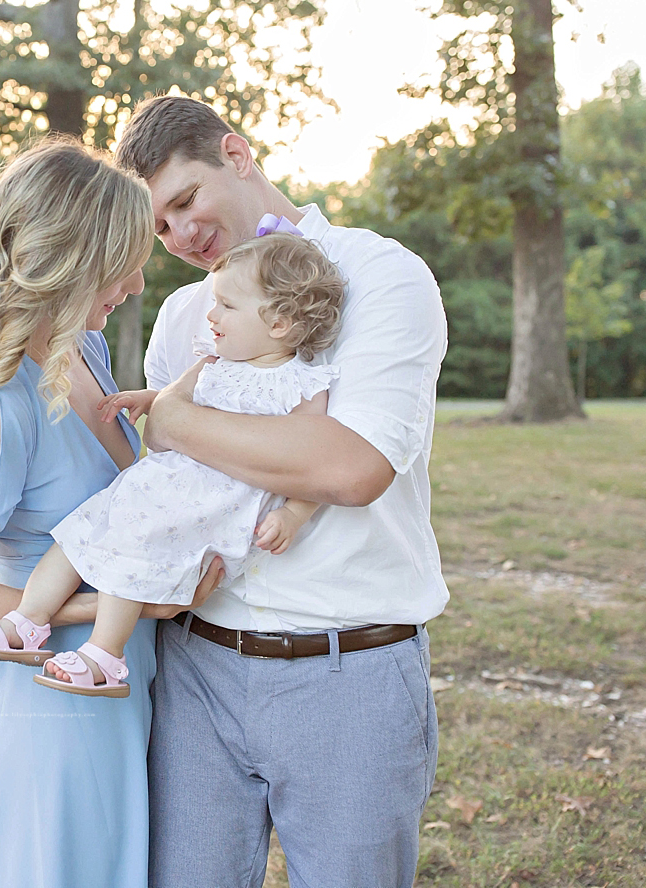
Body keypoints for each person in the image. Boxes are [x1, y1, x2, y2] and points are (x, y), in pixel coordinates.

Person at [114, 96, 449, 888]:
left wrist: (173, 419)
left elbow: (349, 468)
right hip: (194, 668)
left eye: (186, 200)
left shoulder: (380, 276)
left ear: (237, 154)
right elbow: (170, 494)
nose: (181, 236)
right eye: (159, 227)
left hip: (349, 670)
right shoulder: (180, 318)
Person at [0, 135, 222, 888]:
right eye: (120, 261)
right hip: (49, 710)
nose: (139, 280)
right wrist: (130, 609)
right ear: (65, 259)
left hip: (120, 689)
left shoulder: (84, 351)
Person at [0, 233, 343, 699]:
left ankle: (104, 655)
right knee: (76, 535)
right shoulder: (210, 363)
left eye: (227, 306)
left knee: (130, 553)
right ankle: (28, 620)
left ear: (280, 322)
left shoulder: (302, 386)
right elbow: (170, 402)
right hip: (157, 489)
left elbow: (315, 463)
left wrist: (294, 513)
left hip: (208, 507)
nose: (212, 315)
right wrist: (146, 399)